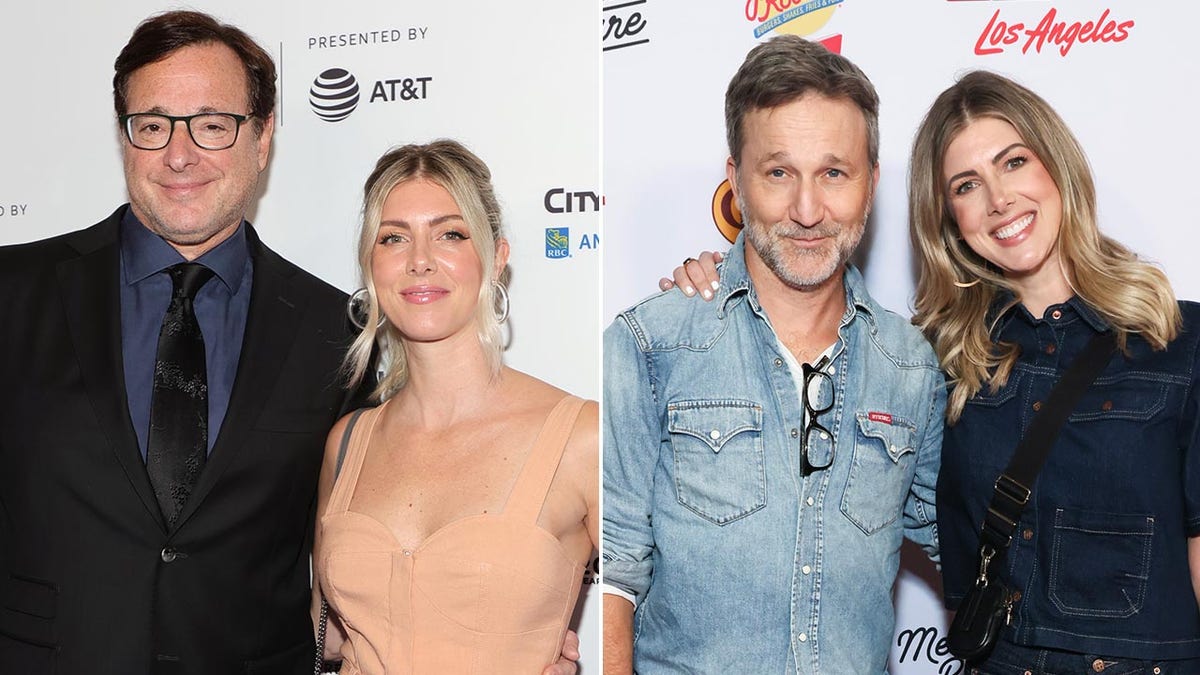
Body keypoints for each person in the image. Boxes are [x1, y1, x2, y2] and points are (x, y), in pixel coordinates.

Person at [0, 11, 579, 675]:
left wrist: (499, 638)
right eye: (153, 125)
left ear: (263, 137)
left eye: (213, 125)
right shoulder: (13, 293)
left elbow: (360, 570)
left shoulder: (337, 333)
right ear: (125, 136)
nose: (179, 154)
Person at [602, 35, 945, 674]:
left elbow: (959, 539)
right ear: (735, 182)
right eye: (779, 172)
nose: (808, 211)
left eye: (834, 173)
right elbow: (614, 568)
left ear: (870, 184)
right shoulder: (653, 345)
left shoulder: (912, 368)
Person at [909, 70, 1200, 672]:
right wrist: (712, 281)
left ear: (1056, 165)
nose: (998, 200)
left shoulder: (1181, 340)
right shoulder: (934, 363)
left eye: (1013, 162)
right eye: (967, 185)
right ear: (948, 220)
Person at [312, 140, 599, 674]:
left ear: (496, 258)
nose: (419, 261)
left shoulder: (582, 436)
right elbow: (323, 637)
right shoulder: (347, 442)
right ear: (371, 265)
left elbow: (655, 621)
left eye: (450, 234)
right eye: (394, 238)